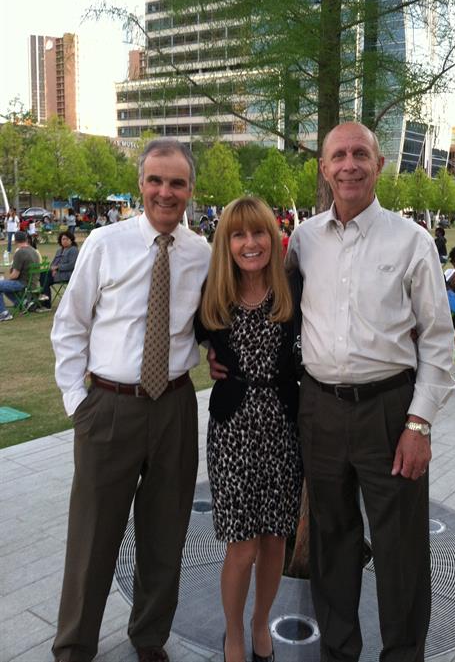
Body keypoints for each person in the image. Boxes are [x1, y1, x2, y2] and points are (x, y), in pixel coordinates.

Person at [285, 122, 455, 662]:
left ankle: (403, 654)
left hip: (390, 411)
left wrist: (419, 423)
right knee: (332, 540)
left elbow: (438, 339)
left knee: (400, 546)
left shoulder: (412, 241)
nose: (350, 164)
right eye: (339, 155)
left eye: (361, 153)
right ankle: (338, 651)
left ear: (380, 165)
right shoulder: (304, 241)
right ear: (324, 167)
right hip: (318, 409)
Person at [50, 138, 210, 662]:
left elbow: (211, 324)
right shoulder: (105, 242)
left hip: (175, 410)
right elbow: (71, 325)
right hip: (109, 408)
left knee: (166, 534)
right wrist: (79, 402)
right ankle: (75, 645)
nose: (166, 192)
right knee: (93, 535)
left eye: (177, 183)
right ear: (142, 184)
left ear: (190, 190)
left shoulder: (202, 254)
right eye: (156, 180)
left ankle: (149, 638)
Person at [197, 196, 302, 662]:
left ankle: (262, 622)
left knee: (275, 539)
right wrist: (210, 359)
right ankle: (234, 632)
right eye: (238, 235)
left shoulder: (293, 289)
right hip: (233, 431)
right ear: (227, 243)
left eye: (258, 232)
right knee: (241, 546)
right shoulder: (213, 294)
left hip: (282, 427)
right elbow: (193, 339)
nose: (250, 243)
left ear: (272, 238)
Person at [0, 231, 40, 322]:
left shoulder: (20, 252)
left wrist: (6, 279)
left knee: (2, 284)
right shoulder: (33, 250)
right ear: (26, 239)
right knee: (5, 286)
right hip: (33, 282)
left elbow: (15, 275)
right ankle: (24, 304)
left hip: (23, 283)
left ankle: (4, 313)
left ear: (15, 241)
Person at [40, 232, 79, 309]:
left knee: (45, 278)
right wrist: (53, 269)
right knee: (42, 275)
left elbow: (72, 265)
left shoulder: (73, 250)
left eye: (67, 239)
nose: (64, 241)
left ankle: (46, 304)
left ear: (71, 240)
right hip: (56, 274)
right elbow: (53, 264)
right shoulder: (59, 251)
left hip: (67, 274)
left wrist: (57, 268)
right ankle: (43, 302)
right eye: (63, 239)